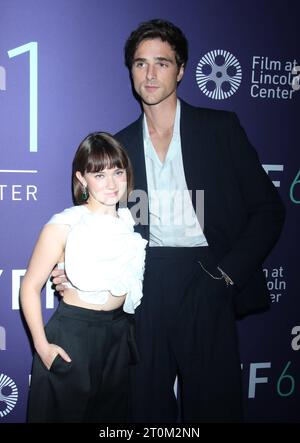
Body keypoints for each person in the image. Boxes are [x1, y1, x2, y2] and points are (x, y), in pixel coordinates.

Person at [52, 19, 285, 423]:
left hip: (207, 277)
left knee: (215, 405)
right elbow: (103, 223)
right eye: (141, 64)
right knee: (144, 407)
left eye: (162, 63)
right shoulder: (119, 146)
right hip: (145, 283)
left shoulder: (218, 129)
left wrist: (227, 276)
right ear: (131, 72)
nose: (150, 74)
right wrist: (76, 270)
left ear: (180, 70)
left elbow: (269, 210)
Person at [20, 132, 147, 423]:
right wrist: (42, 347)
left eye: (118, 171)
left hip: (118, 336)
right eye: (99, 175)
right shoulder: (64, 224)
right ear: (82, 179)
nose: (112, 183)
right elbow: (29, 286)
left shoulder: (129, 224)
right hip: (74, 337)